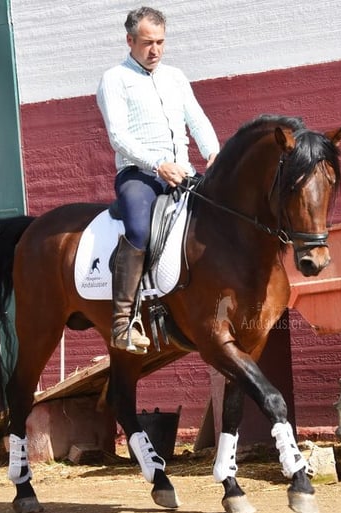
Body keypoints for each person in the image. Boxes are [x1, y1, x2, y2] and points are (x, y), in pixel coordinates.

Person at [97, 6, 220, 353]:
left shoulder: (175, 77)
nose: (155, 50)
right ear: (130, 40)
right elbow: (118, 136)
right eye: (148, 43)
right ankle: (122, 322)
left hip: (183, 172)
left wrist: (212, 152)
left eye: (161, 42)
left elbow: (196, 120)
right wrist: (158, 164)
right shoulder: (114, 79)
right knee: (138, 229)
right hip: (139, 175)